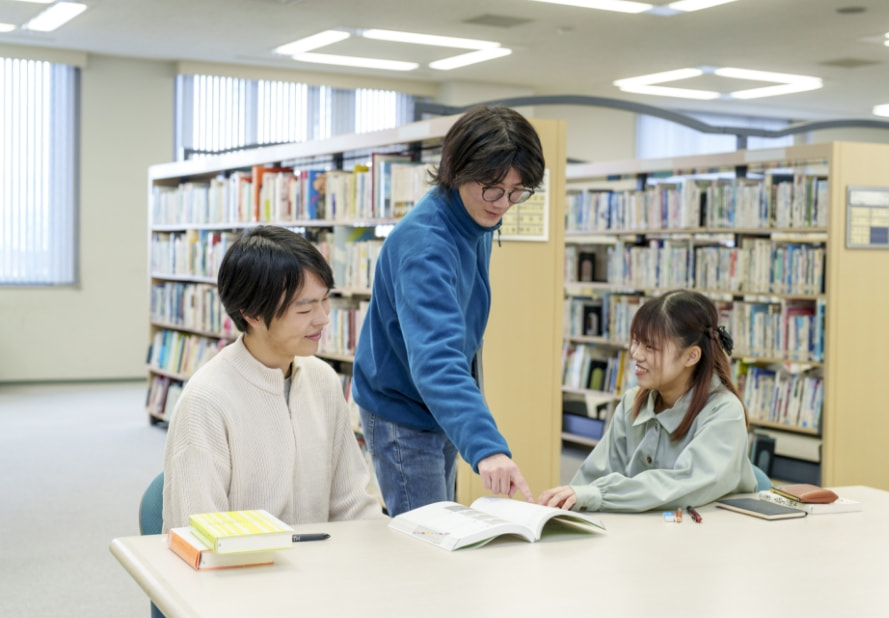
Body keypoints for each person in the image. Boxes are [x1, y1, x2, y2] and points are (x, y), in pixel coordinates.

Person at [352, 105, 545, 516]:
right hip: (400, 407)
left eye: (517, 191)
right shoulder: (426, 246)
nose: (503, 204)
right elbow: (437, 358)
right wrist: (488, 447)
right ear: (458, 170)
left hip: (435, 404)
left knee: (442, 526)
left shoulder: (474, 218)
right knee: (427, 539)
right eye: (492, 188)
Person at [162, 225, 383, 532]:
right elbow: (196, 533)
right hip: (243, 573)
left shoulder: (323, 380)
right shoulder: (206, 400)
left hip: (321, 570)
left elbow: (353, 505)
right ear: (252, 314)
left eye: (324, 300)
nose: (322, 318)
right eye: (304, 308)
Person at [538, 289, 758, 512]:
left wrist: (599, 494)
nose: (635, 353)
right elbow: (591, 479)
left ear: (691, 356)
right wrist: (568, 503)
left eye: (650, 347)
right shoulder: (632, 402)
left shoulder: (724, 412)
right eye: (636, 341)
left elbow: (684, 484)